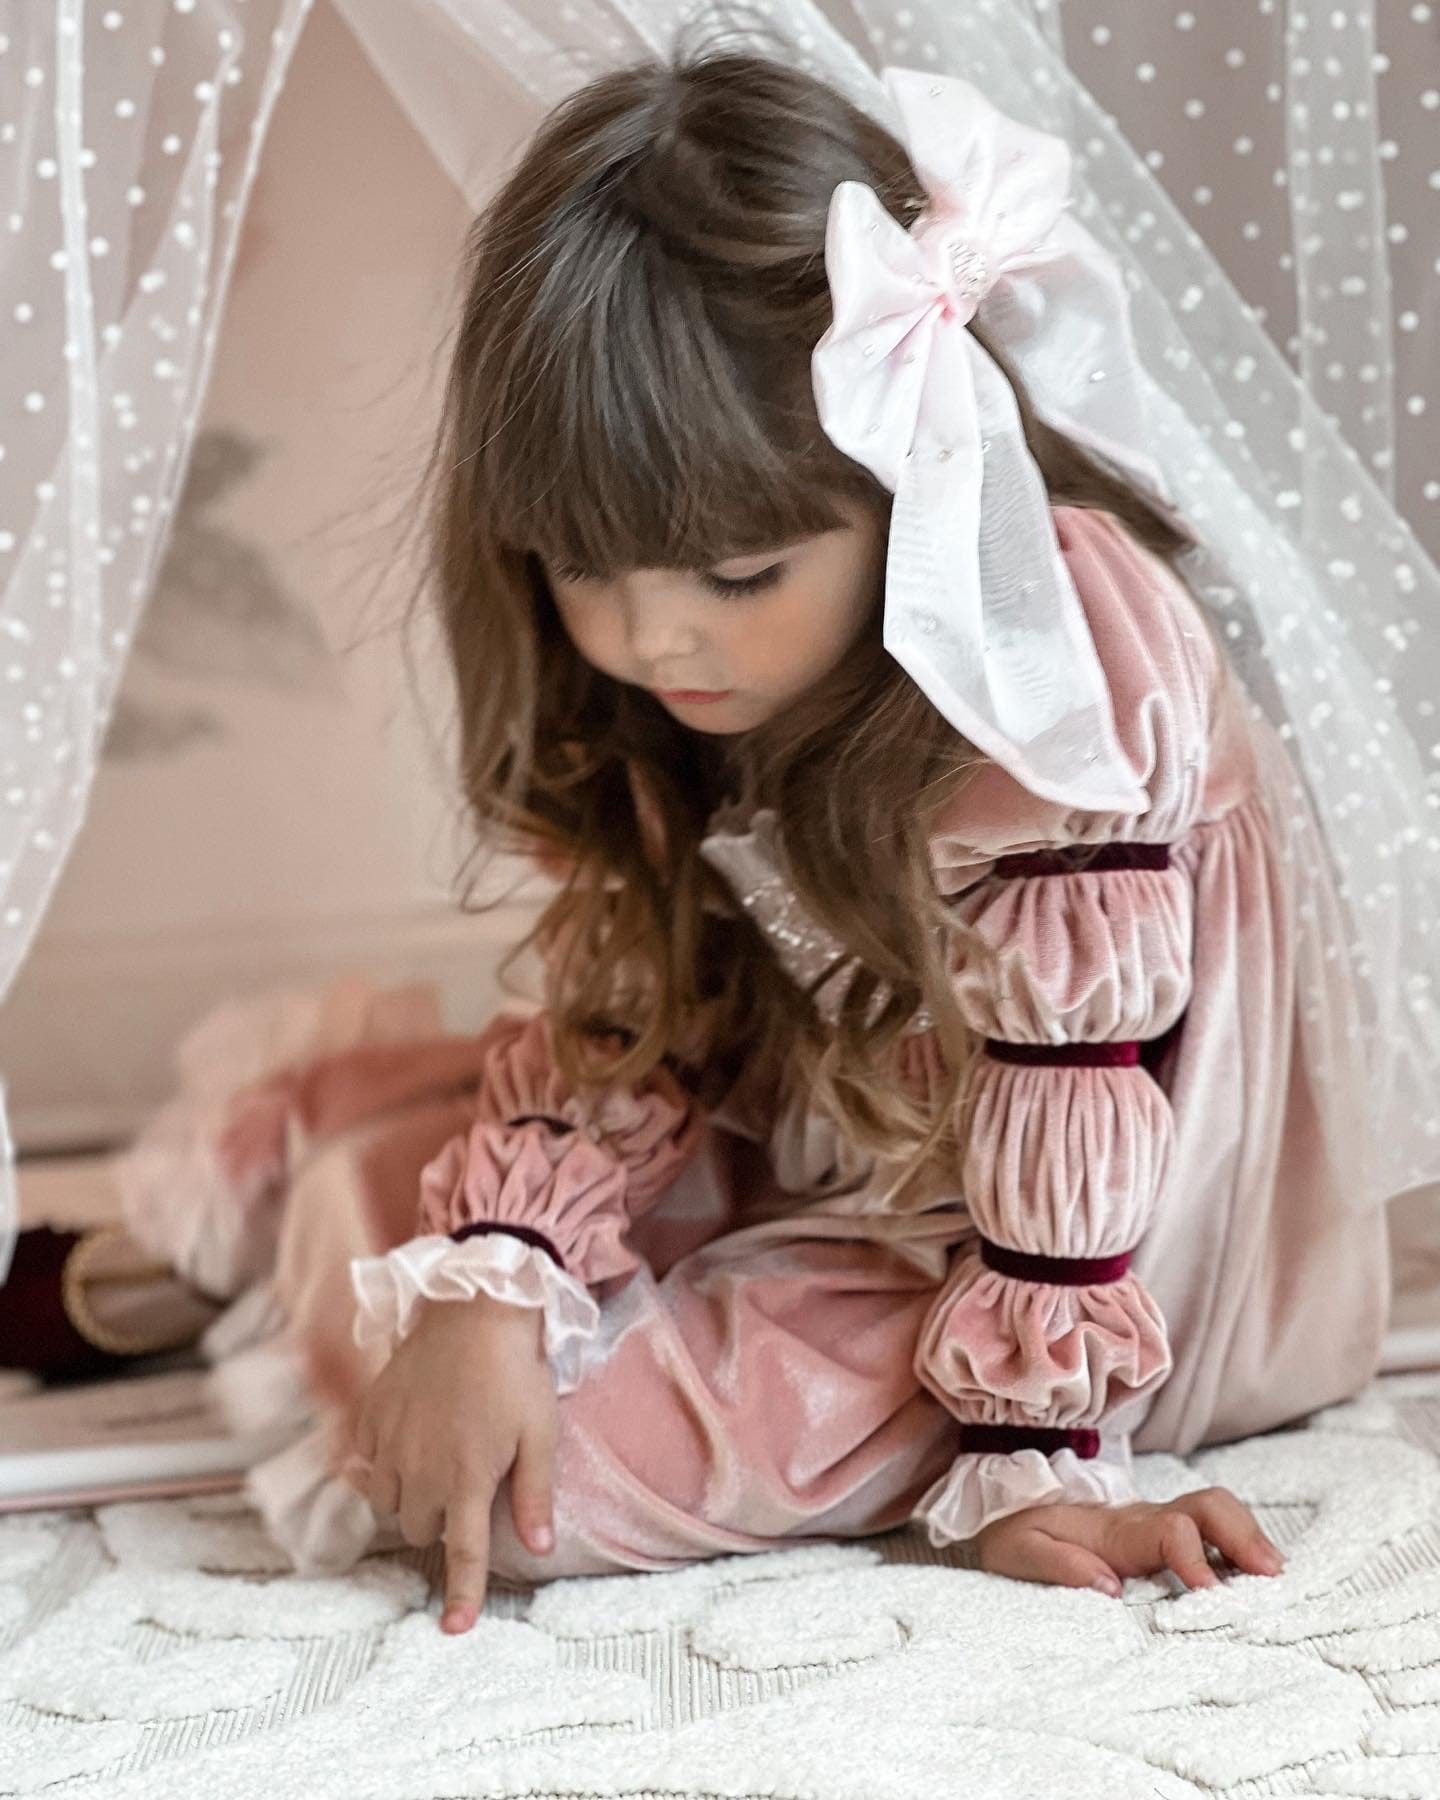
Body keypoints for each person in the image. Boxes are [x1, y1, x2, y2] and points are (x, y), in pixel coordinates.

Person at [106, 44, 1391, 1634]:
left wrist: (1034, 1461)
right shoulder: (695, 687)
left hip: (1075, 1248)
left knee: (531, 1479)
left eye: (734, 574)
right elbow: (647, 1012)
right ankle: (263, 1250)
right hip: (841, 1121)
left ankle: (318, 1280)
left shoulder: (1054, 664)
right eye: (584, 566)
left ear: (908, 482)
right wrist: (497, 1273)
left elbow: (1079, 1111)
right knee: (428, 1246)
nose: (650, 637)